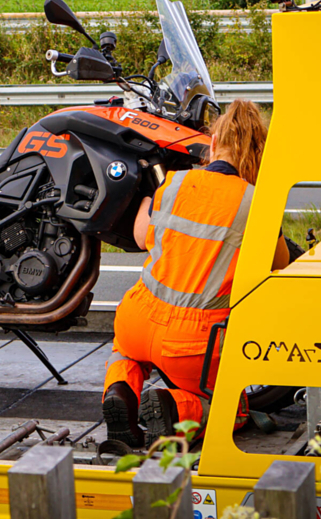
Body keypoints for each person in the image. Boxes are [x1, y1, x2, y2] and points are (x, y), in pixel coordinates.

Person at [101, 99, 291, 447]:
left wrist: (147, 200)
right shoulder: (257, 204)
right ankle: (174, 409)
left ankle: (120, 392)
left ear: (213, 143)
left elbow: (142, 237)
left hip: (138, 319)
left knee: (124, 353)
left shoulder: (173, 184)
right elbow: (279, 265)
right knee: (232, 409)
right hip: (192, 345)